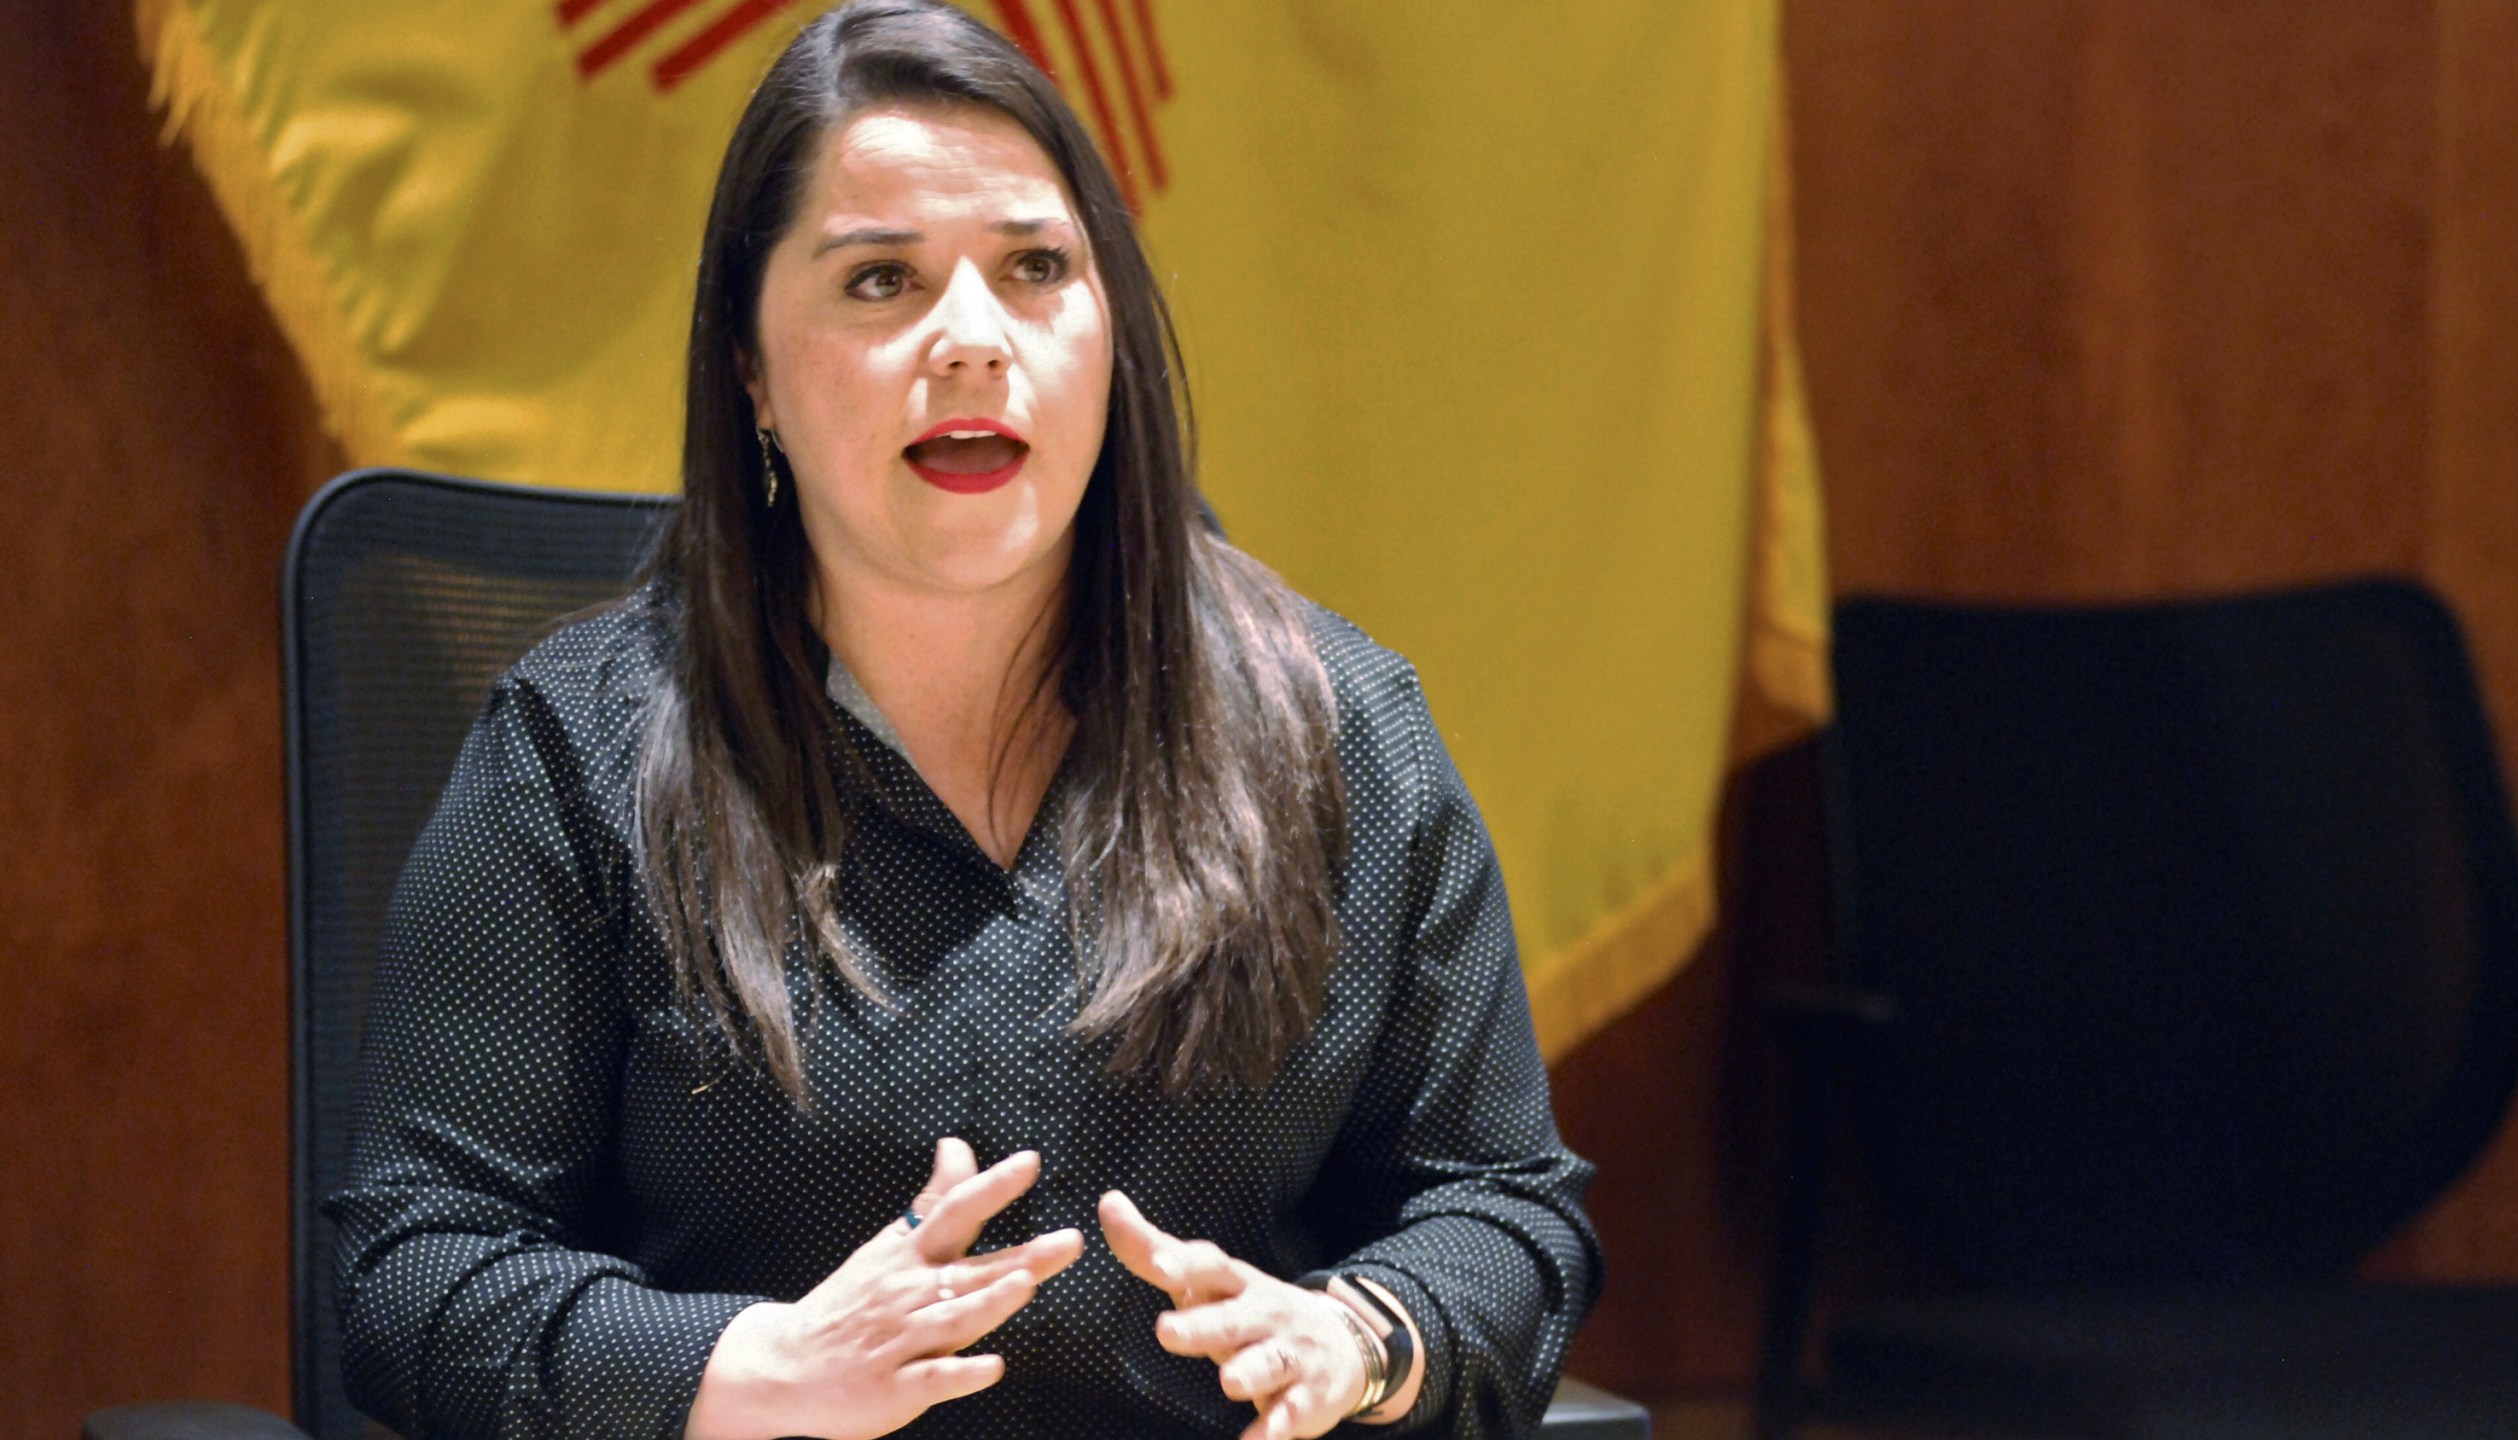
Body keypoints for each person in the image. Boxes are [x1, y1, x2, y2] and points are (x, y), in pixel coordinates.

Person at [324, 3, 1597, 1437]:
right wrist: (753, 1374)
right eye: (881, 281)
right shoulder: (582, 755)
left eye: (1037, 269)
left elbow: (1503, 1210)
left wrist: (1358, 1337)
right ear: (750, 367)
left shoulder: (1341, 734)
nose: (975, 340)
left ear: (1111, 330)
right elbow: (414, 1276)